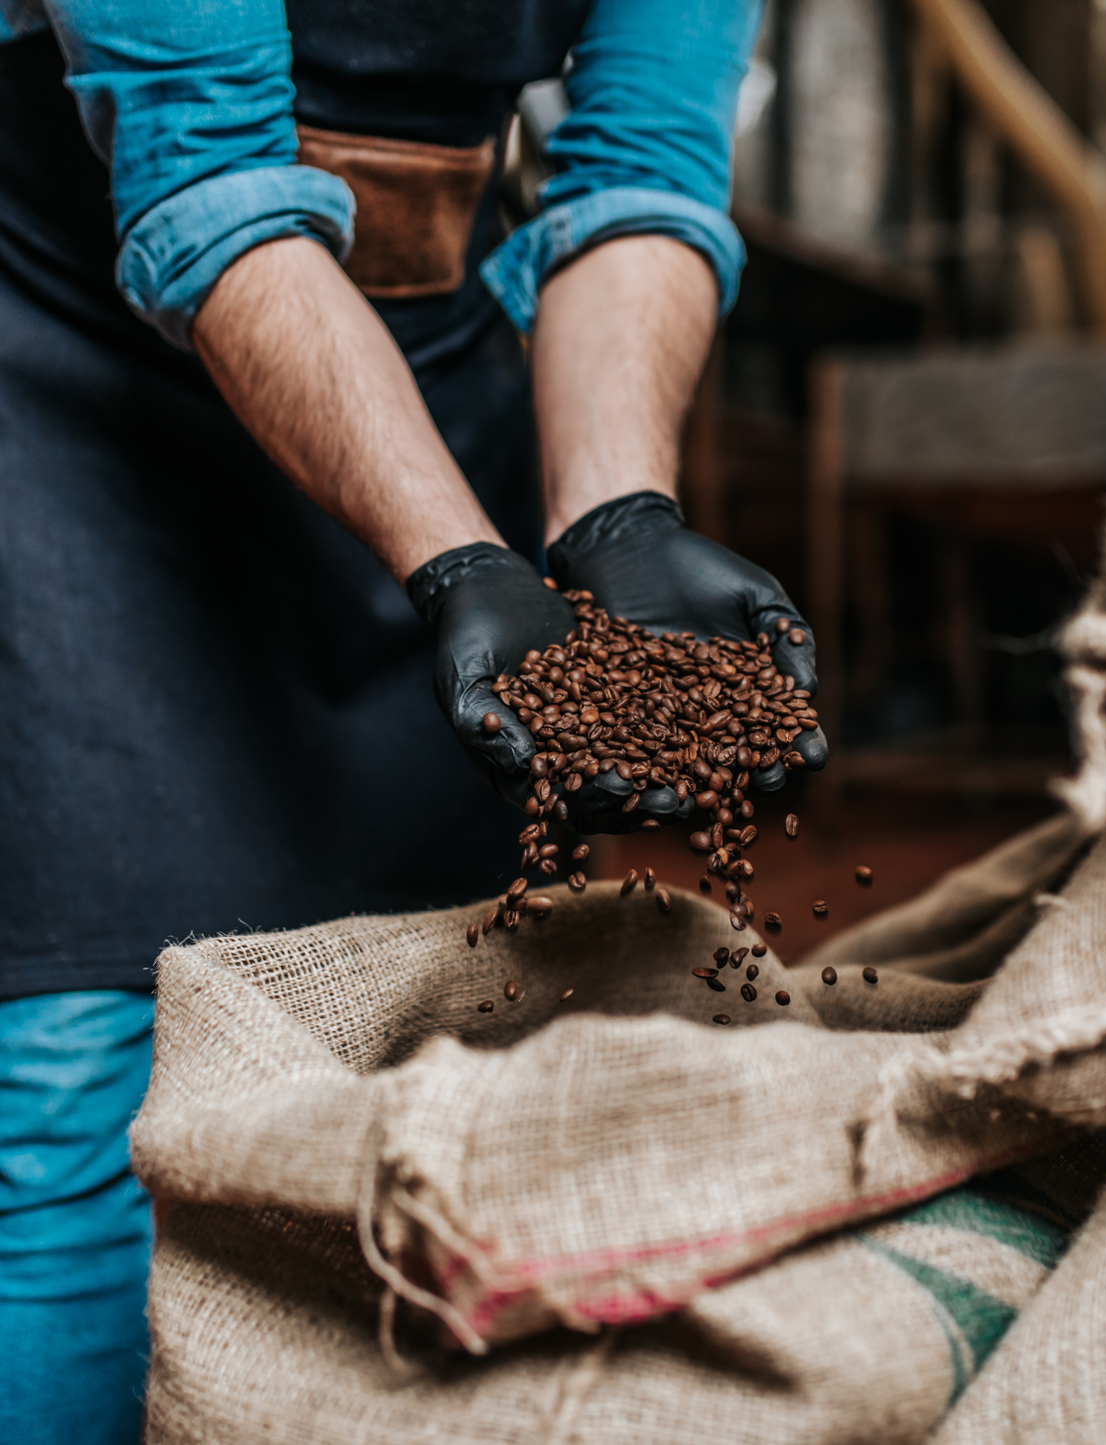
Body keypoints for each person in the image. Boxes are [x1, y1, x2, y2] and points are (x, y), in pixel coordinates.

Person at [0, 2, 827, 1439]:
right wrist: (456, 560)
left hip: (425, 378)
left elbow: (641, 169)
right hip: (73, 385)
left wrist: (613, 515)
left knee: (445, 1038)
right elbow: (205, 174)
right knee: (81, 1082)